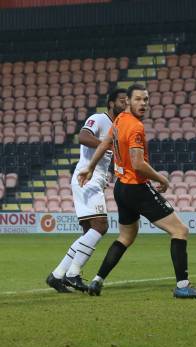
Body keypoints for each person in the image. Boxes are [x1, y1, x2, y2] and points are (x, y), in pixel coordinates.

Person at [78, 83, 196, 299]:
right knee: (180, 231)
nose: (143, 103)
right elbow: (138, 164)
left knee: (126, 236)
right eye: (138, 99)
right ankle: (183, 286)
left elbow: (105, 143)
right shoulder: (135, 127)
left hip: (121, 188)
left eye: (146, 99)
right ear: (128, 101)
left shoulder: (119, 120)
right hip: (136, 187)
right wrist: (162, 178)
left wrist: (90, 167)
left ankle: (97, 280)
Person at [46, 89, 127, 293]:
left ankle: (57, 275)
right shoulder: (99, 118)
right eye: (121, 100)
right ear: (110, 103)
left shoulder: (117, 126)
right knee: (101, 226)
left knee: (89, 231)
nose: (125, 104)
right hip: (86, 178)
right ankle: (72, 274)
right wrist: (105, 146)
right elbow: (83, 136)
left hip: (94, 180)